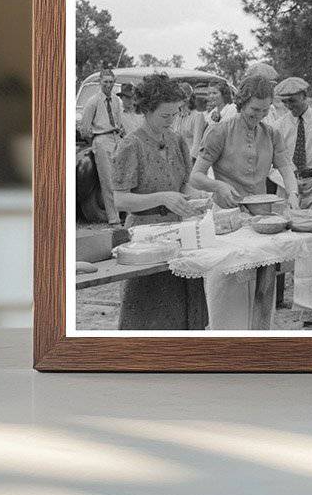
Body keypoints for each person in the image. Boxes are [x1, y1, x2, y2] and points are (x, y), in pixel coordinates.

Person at [190, 74, 299, 329]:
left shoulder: (271, 134)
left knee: (262, 286)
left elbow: (285, 167)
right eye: (254, 110)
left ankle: (259, 341)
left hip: (261, 221)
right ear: (241, 103)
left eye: (264, 110)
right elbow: (195, 177)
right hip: (227, 221)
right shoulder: (219, 132)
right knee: (228, 290)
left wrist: (292, 194)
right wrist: (218, 185)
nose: (259, 115)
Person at [111, 74, 208, 330]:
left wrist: (198, 198)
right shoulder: (131, 146)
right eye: (165, 115)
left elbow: (184, 184)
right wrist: (163, 198)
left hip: (180, 237)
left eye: (175, 114)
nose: (172, 120)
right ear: (146, 110)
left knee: (185, 313)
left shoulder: (177, 142)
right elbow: (120, 200)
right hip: (145, 243)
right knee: (150, 315)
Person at [272, 76, 312, 210]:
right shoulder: (278, 126)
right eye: (285, 102)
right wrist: (289, 186)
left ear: (304, 96)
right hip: (287, 187)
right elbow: (272, 163)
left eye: (292, 101)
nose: (289, 106)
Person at [77, 68, 124, 227]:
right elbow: (84, 129)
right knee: (107, 181)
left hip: (116, 139)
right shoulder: (93, 101)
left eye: (111, 82)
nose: (108, 85)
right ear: (100, 82)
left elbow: (119, 121)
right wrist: (97, 139)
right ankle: (113, 218)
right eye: (105, 82)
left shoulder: (117, 101)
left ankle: (123, 212)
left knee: (119, 179)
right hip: (102, 140)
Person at [171, 82, 205, 159]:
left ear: (188, 97)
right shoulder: (176, 116)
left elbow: (197, 144)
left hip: (190, 159)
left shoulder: (197, 116)